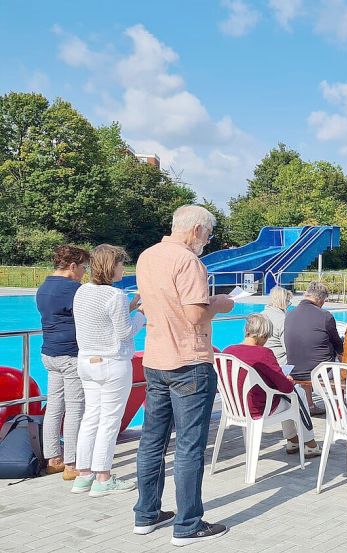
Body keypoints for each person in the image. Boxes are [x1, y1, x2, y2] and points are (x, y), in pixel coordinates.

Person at [134, 205, 233, 545]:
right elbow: (194, 315)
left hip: (156, 357)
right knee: (189, 447)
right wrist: (220, 303)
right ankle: (188, 524)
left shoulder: (147, 257)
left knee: (152, 440)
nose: (207, 241)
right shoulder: (189, 261)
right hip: (189, 362)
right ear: (195, 231)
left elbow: (146, 304)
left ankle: (146, 514)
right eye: (208, 234)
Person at [71, 244, 145, 496]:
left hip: (87, 361)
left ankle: (83, 476)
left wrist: (131, 307)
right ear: (111, 267)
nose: (124, 267)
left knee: (90, 418)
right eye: (121, 263)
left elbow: (100, 321)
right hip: (112, 363)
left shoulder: (82, 292)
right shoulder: (114, 296)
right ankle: (103, 477)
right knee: (109, 421)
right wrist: (142, 314)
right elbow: (124, 332)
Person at [223, 314, 320, 456]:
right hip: (258, 408)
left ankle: (293, 440)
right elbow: (285, 387)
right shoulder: (263, 353)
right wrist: (288, 380)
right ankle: (309, 443)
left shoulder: (228, 351)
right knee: (296, 393)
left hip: (234, 408)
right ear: (262, 335)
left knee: (289, 397)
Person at [36, 244, 90, 480]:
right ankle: (72, 462)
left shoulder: (43, 287)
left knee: (55, 407)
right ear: (72, 266)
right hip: (70, 354)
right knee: (75, 408)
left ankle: (53, 458)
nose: (84, 273)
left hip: (49, 353)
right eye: (84, 268)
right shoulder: (74, 289)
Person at [261, 286, 292, 365]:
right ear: (283, 302)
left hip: (261, 362)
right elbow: (289, 349)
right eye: (288, 302)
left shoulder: (260, 315)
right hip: (279, 364)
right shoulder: (283, 320)